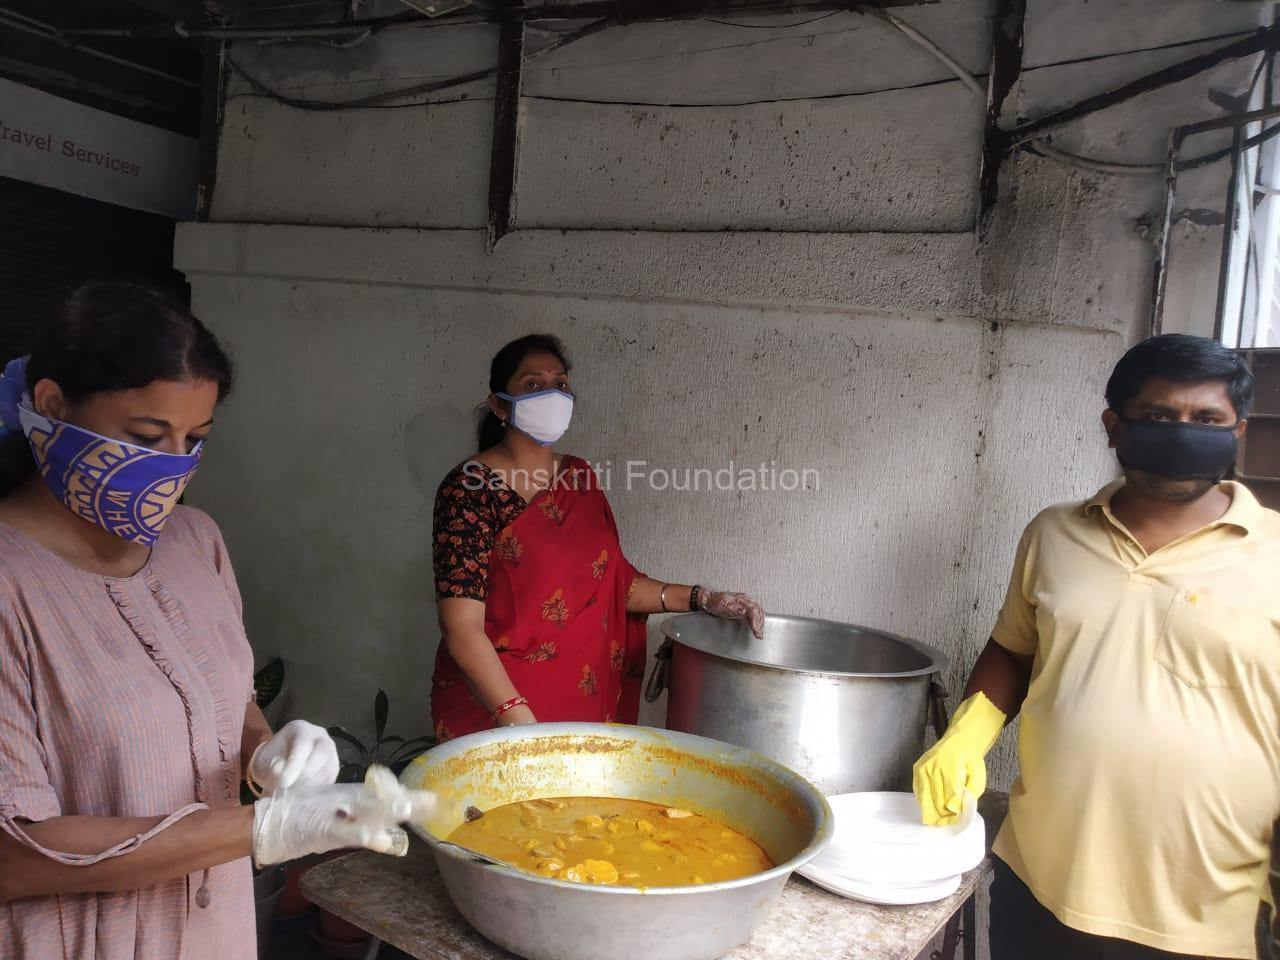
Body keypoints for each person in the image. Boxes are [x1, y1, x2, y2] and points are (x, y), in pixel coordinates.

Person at [0, 284, 431, 960]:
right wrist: (261, 830)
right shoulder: (12, 581)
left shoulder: (195, 541)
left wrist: (267, 752)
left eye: (194, 439)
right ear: (52, 406)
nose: (173, 466)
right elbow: (14, 856)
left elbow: (221, 706)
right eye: (147, 437)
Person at [913, 334, 1278, 960]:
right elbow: (1014, 651)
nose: (1182, 434)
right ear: (1114, 426)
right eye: (1159, 415)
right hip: (1040, 881)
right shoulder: (1053, 534)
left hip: (1202, 914)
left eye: (1206, 419)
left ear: (1238, 431)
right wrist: (967, 734)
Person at [430, 333, 766, 741]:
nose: (551, 395)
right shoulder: (470, 489)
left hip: (579, 709)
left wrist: (704, 598)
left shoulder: (578, 477)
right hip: (497, 716)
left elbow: (614, 584)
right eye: (533, 384)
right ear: (500, 404)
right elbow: (461, 627)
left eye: (560, 384)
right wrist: (516, 719)